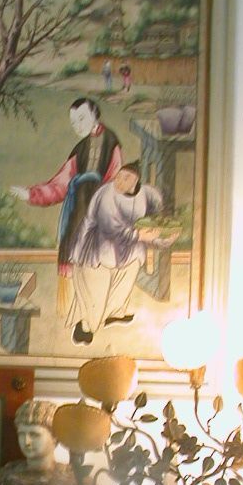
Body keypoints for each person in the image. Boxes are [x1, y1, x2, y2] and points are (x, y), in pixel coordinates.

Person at [10, 98, 121, 318]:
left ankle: (89, 320)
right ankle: (78, 320)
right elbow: (61, 184)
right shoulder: (81, 149)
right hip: (78, 216)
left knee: (94, 275)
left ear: (95, 115)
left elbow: (116, 183)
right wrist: (31, 194)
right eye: (74, 122)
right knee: (78, 274)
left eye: (82, 119)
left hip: (101, 219)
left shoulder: (111, 143)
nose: (78, 126)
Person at [68, 161, 166, 343]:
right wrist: (139, 235)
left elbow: (157, 219)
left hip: (129, 249)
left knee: (126, 279)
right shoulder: (106, 194)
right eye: (118, 176)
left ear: (136, 180)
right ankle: (86, 327)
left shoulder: (147, 194)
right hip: (98, 247)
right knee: (96, 296)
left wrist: (162, 236)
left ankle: (115, 313)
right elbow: (110, 227)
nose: (119, 181)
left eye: (126, 178)